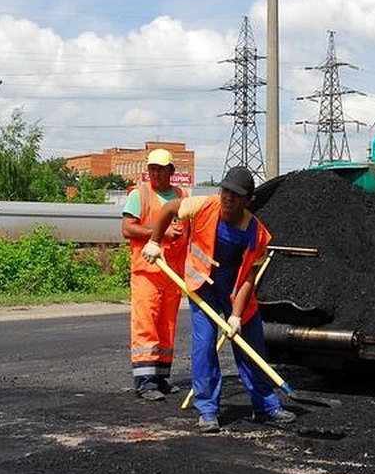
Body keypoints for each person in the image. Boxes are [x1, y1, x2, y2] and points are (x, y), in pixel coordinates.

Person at [141, 166, 296, 433]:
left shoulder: (256, 234)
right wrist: (154, 242)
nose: (227, 198)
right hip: (202, 285)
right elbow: (167, 210)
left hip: (235, 290)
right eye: (225, 191)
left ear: (248, 200)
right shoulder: (202, 205)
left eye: (235, 195)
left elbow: (248, 277)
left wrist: (236, 316)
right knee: (204, 347)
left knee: (251, 345)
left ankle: (266, 406)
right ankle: (208, 411)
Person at [121, 148, 189, 401]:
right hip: (147, 271)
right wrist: (159, 234)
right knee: (146, 325)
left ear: (171, 171)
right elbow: (128, 228)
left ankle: (160, 377)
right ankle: (145, 381)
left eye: (160, 169)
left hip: (172, 274)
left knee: (166, 326)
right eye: (152, 169)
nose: (155, 173)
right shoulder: (140, 195)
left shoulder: (181, 196)